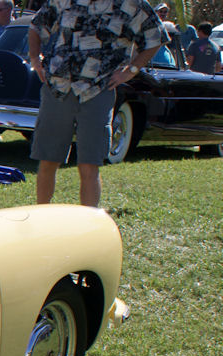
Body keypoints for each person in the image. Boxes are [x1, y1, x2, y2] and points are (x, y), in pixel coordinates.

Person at [28, 0, 165, 207]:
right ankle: (41, 218)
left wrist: (131, 71)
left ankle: (88, 225)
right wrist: (35, 59)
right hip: (58, 87)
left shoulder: (131, 4)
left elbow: (156, 37)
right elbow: (36, 26)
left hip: (98, 90)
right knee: (48, 160)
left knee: (89, 164)